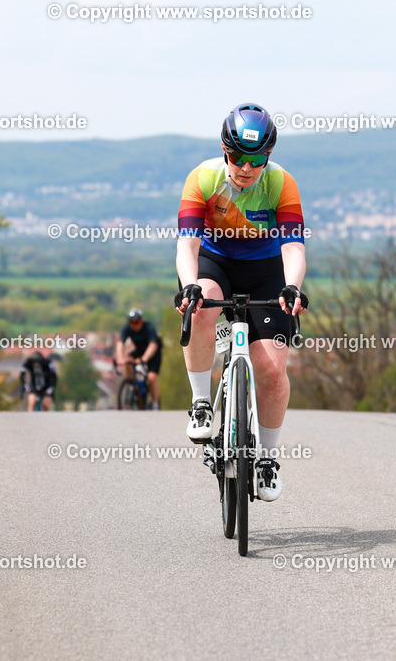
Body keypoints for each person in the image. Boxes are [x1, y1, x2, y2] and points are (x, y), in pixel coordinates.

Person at [174, 103, 308, 502]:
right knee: (202, 303)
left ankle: (267, 460)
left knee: (270, 367)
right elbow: (188, 243)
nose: (246, 168)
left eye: (257, 160)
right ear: (223, 149)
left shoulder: (282, 183)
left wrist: (293, 286)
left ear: (268, 157)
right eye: (237, 157)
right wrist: (189, 285)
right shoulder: (203, 177)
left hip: (266, 268)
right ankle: (201, 402)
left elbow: (294, 246)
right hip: (216, 262)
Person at [114, 307, 162, 410]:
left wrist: (144, 359)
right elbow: (120, 343)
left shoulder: (149, 328)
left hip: (153, 353)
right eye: (133, 323)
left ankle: (155, 404)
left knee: (151, 377)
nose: (136, 325)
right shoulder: (127, 328)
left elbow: (153, 345)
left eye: (138, 322)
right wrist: (120, 358)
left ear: (142, 320)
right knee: (128, 362)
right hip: (139, 350)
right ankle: (131, 383)